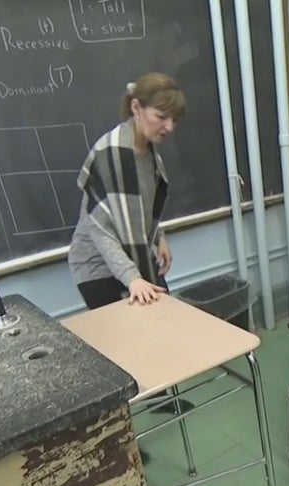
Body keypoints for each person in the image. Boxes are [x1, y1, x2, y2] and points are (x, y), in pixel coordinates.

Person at [67, 72, 195, 448]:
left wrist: (161, 238)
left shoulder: (147, 154)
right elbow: (100, 229)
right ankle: (123, 441)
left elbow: (144, 208)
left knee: (159, 333)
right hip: (99, 267)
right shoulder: (111, 154)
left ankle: (156, 396)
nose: (169, 127)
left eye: (175, 120)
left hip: (137, 259)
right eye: (161, 116)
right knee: (120, 357)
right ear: (137, 108)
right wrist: (132, 279)